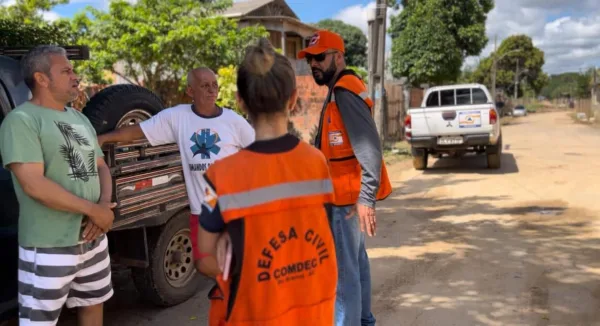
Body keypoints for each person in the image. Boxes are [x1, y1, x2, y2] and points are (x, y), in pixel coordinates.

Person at [194, 38, 338, 325]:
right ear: (294, 98)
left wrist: (228, 238)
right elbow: (322, 233)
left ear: (240, 100)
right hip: (314, 314)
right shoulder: (317, 162)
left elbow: (205, 259)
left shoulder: (221, 176)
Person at [0, 45, 115, 326]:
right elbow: (34, 184)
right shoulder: (21, 120)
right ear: (41, 79)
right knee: (38, 321)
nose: (75, 76)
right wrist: (95, 210)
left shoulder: (79, 118)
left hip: (93, 238)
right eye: (66, 70)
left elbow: (100, 166)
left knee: (92, 305)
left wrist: (102, 207)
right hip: (48, 244)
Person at [97, 67, 255, 266]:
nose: (211, 90)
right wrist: (104, 137)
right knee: (206, 265)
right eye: (204, 86)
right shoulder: (177, 117)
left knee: (239, 266)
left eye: (214, 85)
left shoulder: (234, 121)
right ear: (190, 91)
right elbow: (140, 131)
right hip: (202, 214)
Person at [297, 30, 393, 326]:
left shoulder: (345, 92)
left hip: (346, 200)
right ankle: (364, 320)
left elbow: (370, 149)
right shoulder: (340, 88)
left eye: (320, 57)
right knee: (356, 264)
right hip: (345, 196)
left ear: (338, 57)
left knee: (343, 274)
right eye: (311, 59)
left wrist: (366, 198)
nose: (314, 64)